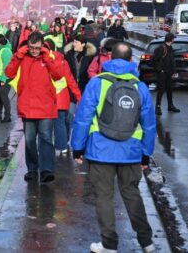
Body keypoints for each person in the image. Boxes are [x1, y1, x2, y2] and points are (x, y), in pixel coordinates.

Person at [71, 42, 156, 253]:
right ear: (130, 60)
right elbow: (149, 124)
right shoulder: (140, 86)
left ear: (109, 58)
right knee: (132, 194)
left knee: (104, 196)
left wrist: (78, 148)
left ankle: (109, 244)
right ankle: (147, 242)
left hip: (101, 151)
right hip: (131, 152)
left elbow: (83, 117)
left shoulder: (98, 83)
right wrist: (146, 155)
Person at [5, 32, 64, 183]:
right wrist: (18, 55)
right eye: (31, 47)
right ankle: (32, 169)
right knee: (30, 140)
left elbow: (58, 75)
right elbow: (9, 72)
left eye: (37, 48)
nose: (34, 50)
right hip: (28, 106)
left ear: (42, 46)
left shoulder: (49, 57)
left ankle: (46, 169)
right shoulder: (22, 58)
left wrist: (46, 57)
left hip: (45, 106)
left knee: (45, 139)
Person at [44, 39, 82, 155]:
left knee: (46, 125)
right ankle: (63, 146)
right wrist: (79, 97)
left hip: (48, 98)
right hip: (62, 98)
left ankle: (47, 146)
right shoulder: (62, 61)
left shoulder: (43, 62)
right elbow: (71, 81)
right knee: (60, 122)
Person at [151, 33, 179, 115]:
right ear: (171, 39)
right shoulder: (161, 48)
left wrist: (174, 71)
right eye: (173, 38)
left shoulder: (170, 48)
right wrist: (160, 70)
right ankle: (158, 107)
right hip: (162, 73)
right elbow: (153, 61)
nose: (174, 40)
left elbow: (172, 61)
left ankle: (170, 105)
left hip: (169, 73)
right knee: (161, 90)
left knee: (169, 89)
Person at [0, 34, 13, 122]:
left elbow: (7, 66)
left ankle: (7, 115)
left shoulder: (6, 51)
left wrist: (4, 79)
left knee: (3, 96)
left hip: (4, 78)